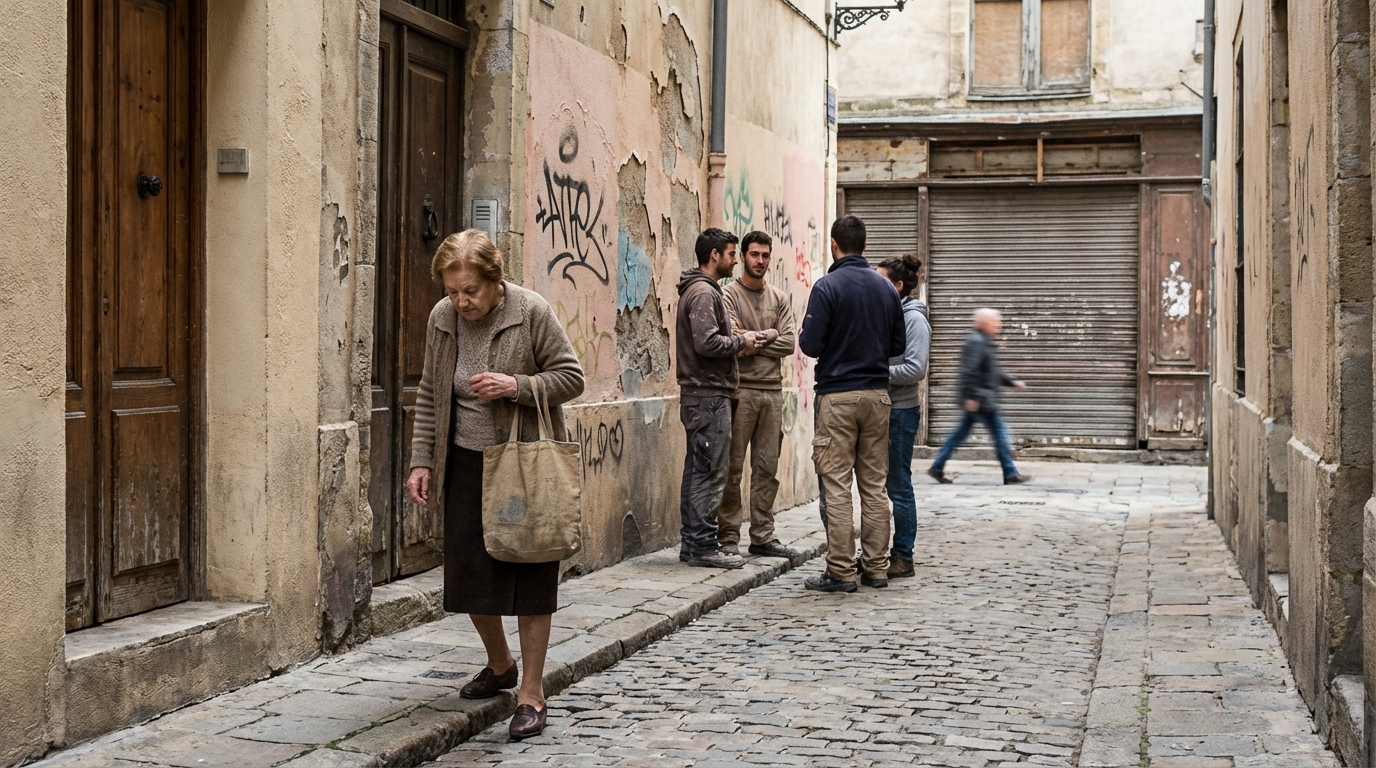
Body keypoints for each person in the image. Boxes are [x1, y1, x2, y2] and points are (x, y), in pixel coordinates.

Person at [405, 230, 585, 742]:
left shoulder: (530, 312)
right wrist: (422, 461)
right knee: (469, 577)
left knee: (530, 577)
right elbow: (429, 392)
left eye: (471, 292)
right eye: (453, 290)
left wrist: (518, 387)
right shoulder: (443, 318)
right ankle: (500, 664)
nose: (461, 301)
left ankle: (531, 693)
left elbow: (571, 376)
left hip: (523, 464)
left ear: (494, 280)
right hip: (463, 464)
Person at [798, 215, 906, 593]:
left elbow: (809, 345)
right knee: (875, 486)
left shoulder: (828, 287)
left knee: (838, 486)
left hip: (838, 395)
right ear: (864, 243)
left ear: (833, 244)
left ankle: (841, 571)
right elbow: (898, 348)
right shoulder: (886, 289)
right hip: (878, 396)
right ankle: (876, 567)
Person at [676, 228, 773, 569]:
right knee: (710, 471)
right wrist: (739, 344)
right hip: (707, 394)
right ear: (715, 255)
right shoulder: (703, 292)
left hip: (703, 393)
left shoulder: (703, 290)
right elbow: (706, 343)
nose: (735, 259)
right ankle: (702, 545)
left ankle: (694, 543)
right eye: (732, 253)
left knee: (699, 469)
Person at [718, 231, 799, 560]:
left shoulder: (778, 297)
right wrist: (769, 335)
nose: (760, 261)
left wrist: (757, 340)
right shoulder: (729, 296)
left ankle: (763, 536)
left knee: (766, 468)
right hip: (741, 392)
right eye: (754, 255)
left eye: (765, 255)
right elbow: (736, 343)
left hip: (773, 393)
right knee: (732, 468)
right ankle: (727, 538)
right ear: (744, 257)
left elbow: (790, 342)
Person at [927, 308, 1031, 486]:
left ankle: (937, 466)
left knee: (960, 435)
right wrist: (971, 396)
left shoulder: (983, 341)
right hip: (981, 400)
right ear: (984, 323)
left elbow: (992, 372)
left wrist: (1012, 382)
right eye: (996, 322)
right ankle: (1010, 472)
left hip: (981, 399)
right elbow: (969, 371)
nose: (999, 325)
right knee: (1001, 435)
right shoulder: (976, 342)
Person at [875, 254, 931, 579]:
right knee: (882, 484)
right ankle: (883, 551)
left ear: (898, 286)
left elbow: (916, 368)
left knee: (898, 484)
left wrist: (876, 371)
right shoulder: (891, 313)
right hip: (884, 409)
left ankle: (903, 554)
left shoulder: (913, 319)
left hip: (901, 412)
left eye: (882, 280)